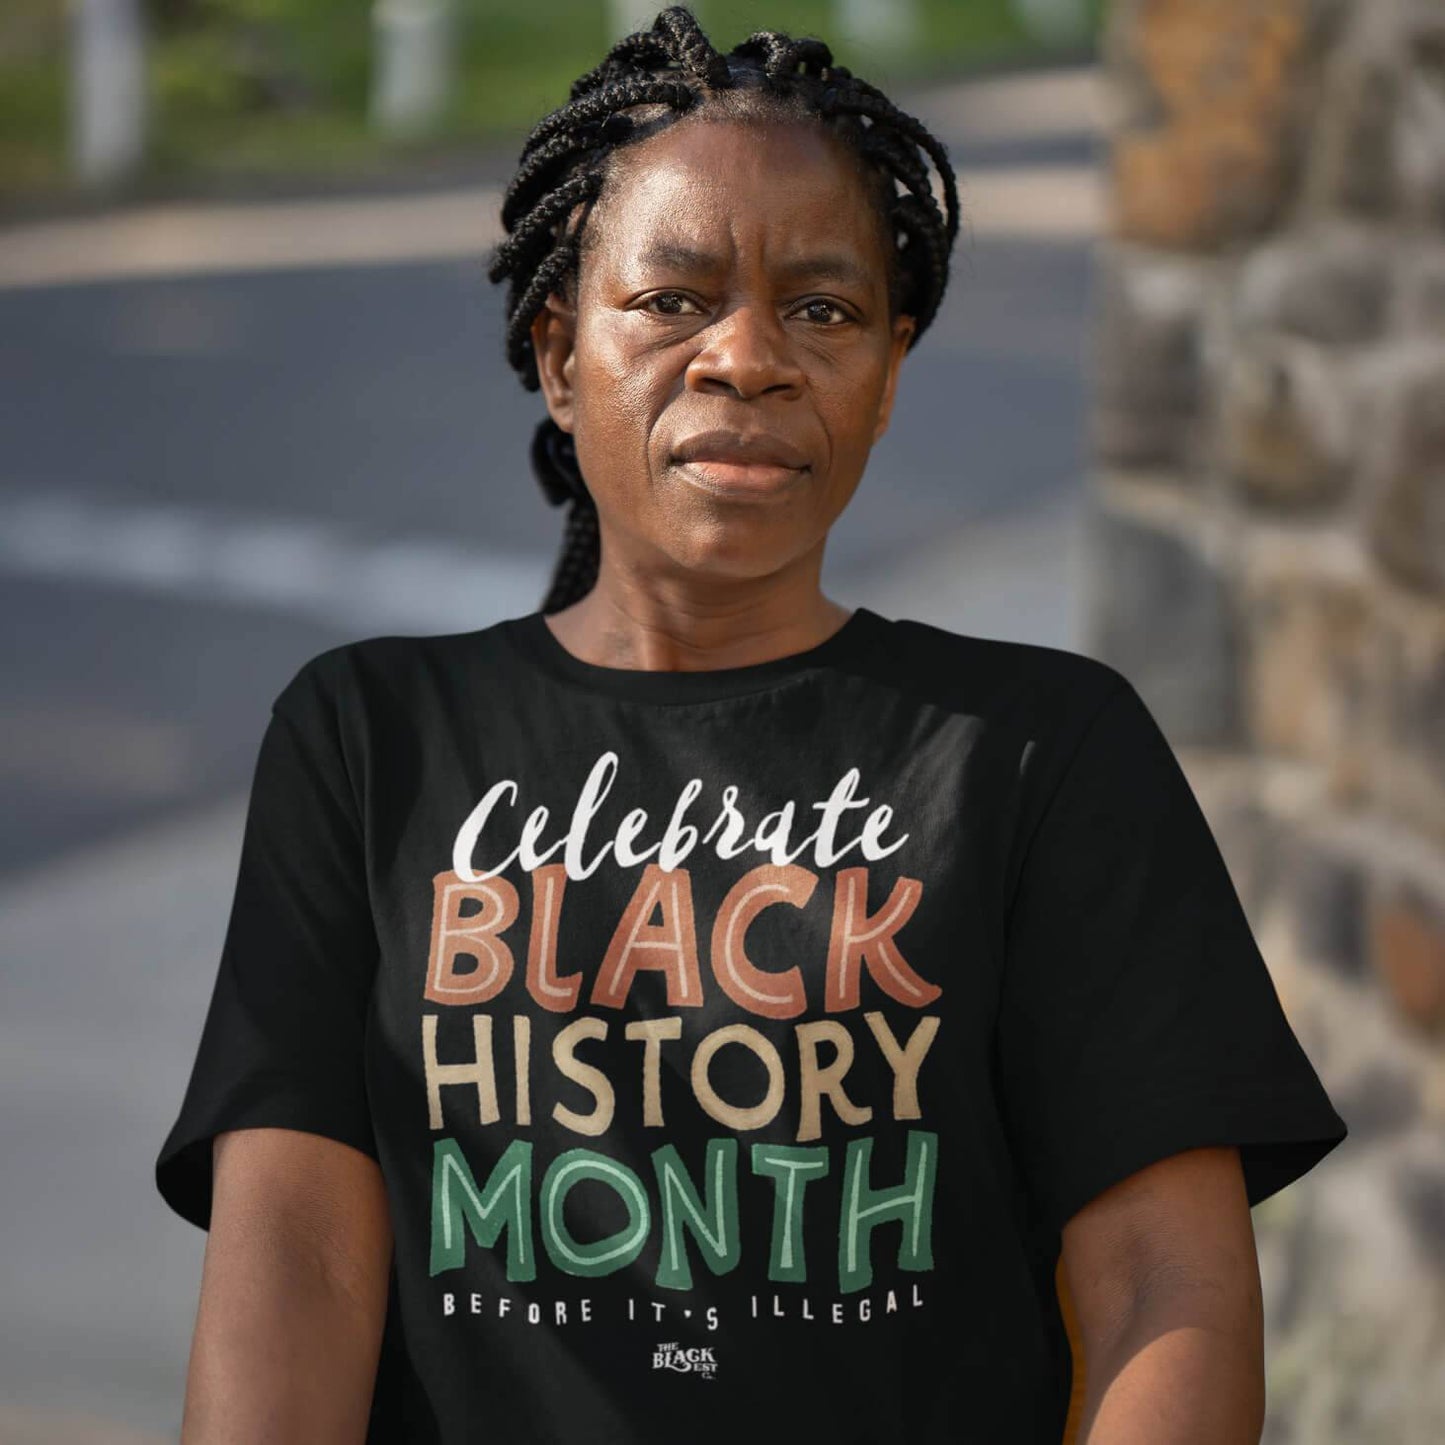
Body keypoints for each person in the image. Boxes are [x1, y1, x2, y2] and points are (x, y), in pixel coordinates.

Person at [154, 7, 1348, 1442]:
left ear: (889, 373)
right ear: (555, 351)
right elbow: (296, 1261)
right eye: (671, 300)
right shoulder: (369, 742)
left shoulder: (1041, 752)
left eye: (824, 309)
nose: (746, 356)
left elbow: (1168, 1284)